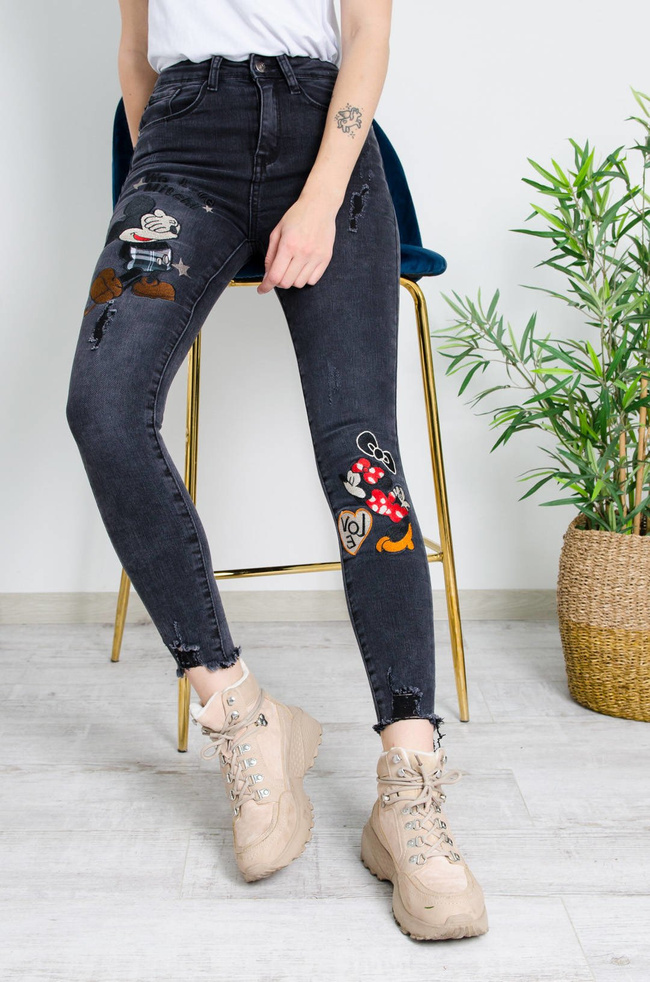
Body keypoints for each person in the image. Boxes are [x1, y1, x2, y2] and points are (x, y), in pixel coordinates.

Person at [65, 0, 488, 941]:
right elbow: (135, 54)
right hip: (179, 150)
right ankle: (242, 714)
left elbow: (368, 36)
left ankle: (409, 787)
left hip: (323, 135)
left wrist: (320, 198)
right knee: (102, 408)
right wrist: (151, 188)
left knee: (361, 454)